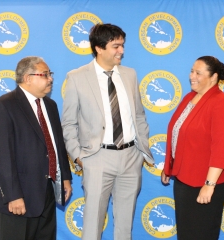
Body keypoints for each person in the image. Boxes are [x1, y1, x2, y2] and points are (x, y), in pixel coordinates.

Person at [62, 23, 154, 240]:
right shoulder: (77, 77)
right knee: (93, 224)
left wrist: (142, 150)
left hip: (131, 157)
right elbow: (68, 123)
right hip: (97, 157)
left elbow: (139, 115)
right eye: (116, 46)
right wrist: (79, 156)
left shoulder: (130, 74)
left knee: (125, 225)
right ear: (98, 48)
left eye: (122, 45)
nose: (121, 50)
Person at [0, 56, 72, 240]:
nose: (50, 79)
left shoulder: (50, 105)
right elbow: (2, 157)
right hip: (19, 199)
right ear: (27, 78)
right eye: (45, 75)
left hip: (47, 194)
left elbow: (57, 144)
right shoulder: (3, 106)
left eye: (50, 74)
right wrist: (13, 196)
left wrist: (64, 177)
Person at [161, 56, 224, 240]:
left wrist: (209, 185)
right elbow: (178, 134)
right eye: (192, 71)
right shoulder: (190, 97)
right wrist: (169, 166)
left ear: (213, 77)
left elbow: (222, 150)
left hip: (206, 183)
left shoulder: (222, 103)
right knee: (187, 234)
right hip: (184, 180)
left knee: (202, 234)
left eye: (198, 73)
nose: (192, 76)